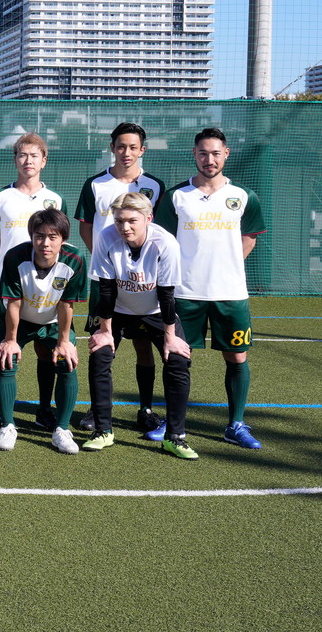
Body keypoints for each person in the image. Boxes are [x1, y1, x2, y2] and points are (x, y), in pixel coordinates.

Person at [154, 127, 268, 450]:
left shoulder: (244, 196)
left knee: (237, 356)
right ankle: (172, 423)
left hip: (230, 294)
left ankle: (236, 424)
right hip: (185, 293)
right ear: (194, 154)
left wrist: (224, 266)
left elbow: (249, 238)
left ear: (226, 154)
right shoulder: (177, 196)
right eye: (203, 153)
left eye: (216, 153)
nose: (209, 159)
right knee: (177, 358)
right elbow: (163, 241)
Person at [72, 122, 166, 437]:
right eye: (121, 146)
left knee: (143, 345)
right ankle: (97, 411)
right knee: (102, 344)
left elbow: (158, 231)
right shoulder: (95, 184)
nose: (127, 152)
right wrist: (107, 262)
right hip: (106, 281)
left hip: (144, 282)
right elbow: (86, 227)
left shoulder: (155, 186)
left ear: (142, 150)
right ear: (112, 148)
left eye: (133, 147)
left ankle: (146, 409)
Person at [85, 192, 196, 460]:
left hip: (156, 311)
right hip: (118, 309)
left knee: (178, 360)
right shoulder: (106, 238)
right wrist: (105, 332)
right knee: (100, 355)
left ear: (148, 218)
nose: (124, 227)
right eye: (119, 220)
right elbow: (106, 290)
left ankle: (175, 437)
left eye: (132, 221)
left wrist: (170, 337)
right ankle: (103, 430)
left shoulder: (165, 243)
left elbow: (167, 294)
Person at [0, 132, 64, 429]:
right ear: (15, 159)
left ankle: (44, 409)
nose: (28, 160)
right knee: (4, 346)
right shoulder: (0, 197)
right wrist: (8, 272)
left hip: (46, 289)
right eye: (22, 155)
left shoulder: (55, 199)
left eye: (34, 155)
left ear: (44, 160)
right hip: (7, 287)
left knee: (47, 350)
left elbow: (60, 240)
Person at [0, 208, 87, 454]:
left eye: (52, 237)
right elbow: (13, 303)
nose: (45, 243)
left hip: (53, 321)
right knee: (7, 359)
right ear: (32, 236)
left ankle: (62, 429)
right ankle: (8, 425)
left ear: (63, 239)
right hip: (21, 319)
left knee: (66, 361)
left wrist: (64, 341)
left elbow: (66, 304)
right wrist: (10, 340)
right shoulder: (15, 257)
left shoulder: (75, 259)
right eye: (39, 236)